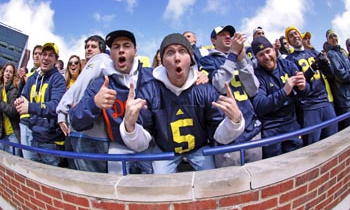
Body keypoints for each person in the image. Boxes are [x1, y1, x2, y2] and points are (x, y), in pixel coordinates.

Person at [120, 33, 245, 174]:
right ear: (162, 60)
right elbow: (141, 144)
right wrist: (129, 126)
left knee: (211, 180)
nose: (177, 58)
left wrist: (235, 121)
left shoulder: (204, 88)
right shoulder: (149, 91)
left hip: (199, 149)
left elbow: (220, 136)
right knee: (161, 186)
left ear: (191, 58)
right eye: (170, 52)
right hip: (166, 151)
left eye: (182, 51)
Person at [70, 30, 154, 174]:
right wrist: (94, 103)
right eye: (116, 47)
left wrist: (198, 76)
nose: (121, 50)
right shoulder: (101, 83)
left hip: (150, 146)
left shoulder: (152, 77)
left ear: (135, 50)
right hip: (118, 146)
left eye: (126, 46)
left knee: (157, 186)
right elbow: (75, 121)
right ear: (111, 53)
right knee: (116, 186)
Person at [199, 25, 262, 167]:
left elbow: (253, 90)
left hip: (251, 129)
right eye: (222, 35)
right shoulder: (207, 61)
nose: (228, 37)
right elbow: (220, 85)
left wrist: (240, 61)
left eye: (230, 35)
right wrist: (233, 55)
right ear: (213, 40)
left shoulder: (242, 58)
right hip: (227, 133)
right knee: (231, 183)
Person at [56, 35, 112, 172]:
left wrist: (61, 109)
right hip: (88, 132)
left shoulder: (101, 60)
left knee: (91, 182)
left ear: (102, 49)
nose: (88, 49)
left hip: (91, 136)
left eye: (93, 46)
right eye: (87, 47)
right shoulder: (91, 65)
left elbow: (78, 87)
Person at [251, 36, 308, 159]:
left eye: (268, 51)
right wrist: (284, 91)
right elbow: (259, 105)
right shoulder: (257, 74)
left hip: (292, 124)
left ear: (273, 50)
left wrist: (303, 87)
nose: (266, 57)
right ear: (256, 58)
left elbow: (304, 93)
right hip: (271, 130)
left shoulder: (287, 65)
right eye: (261, 54)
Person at [14, 43, 66, 166]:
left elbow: (55, 107)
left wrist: (30, 107)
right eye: (44, 54)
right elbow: (24, 96)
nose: (46, 58)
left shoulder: (58, 79)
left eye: (51, 55)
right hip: (33, 136)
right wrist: (19, 101)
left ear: (56, 60)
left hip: (50, 143)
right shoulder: (33, 78)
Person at [285, 26, 337, 146]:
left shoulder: (313, 52)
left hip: (325, 101)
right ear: (289, 41)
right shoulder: (289, 60)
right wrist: (312, 69)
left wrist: (326, 64)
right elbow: (298, 85)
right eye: (291, 36)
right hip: (309, 107)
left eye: (296, 33)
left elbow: (331, 75)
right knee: (314, 146)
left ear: (300, 35)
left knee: (333, 141)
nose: (295, 36)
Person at [17, 45, 42, 159]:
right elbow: (20, 94)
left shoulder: (42, 74)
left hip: (36, 119)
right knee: (27, 156)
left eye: (39, 53)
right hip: (24, 118)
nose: (37, 56)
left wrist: (28, 81)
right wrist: (22, 81)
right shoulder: (28, 74)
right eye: (35, 54)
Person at [325, 29, 350, 130]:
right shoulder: (330, 54)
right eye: (330, 37)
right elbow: (341, 75)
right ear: (327, 40)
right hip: (344, 98)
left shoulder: (342, 53)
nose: (333, 38)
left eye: (335, 36)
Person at [0, 62, 21, 156]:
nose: (8, 74)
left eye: (11, 72)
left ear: (13, 76)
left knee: (14, 163)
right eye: (6, 71)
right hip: (1, 133)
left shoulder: (14, 91)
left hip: (12, 133)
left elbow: (12, 111)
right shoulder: (0, 89)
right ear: (3, 72)